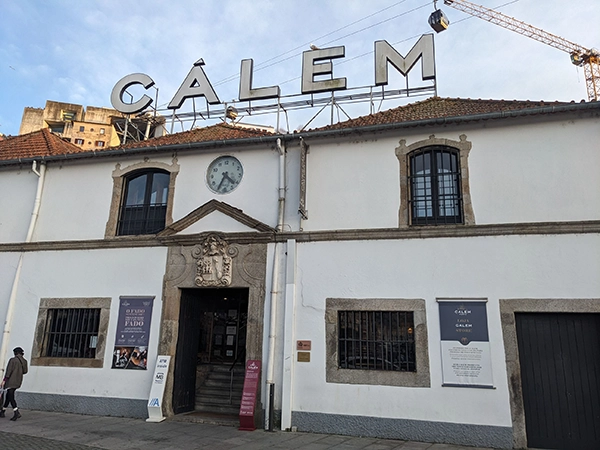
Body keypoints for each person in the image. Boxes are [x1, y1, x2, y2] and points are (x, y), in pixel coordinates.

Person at [1, 347, 28, 421]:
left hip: (11, 381)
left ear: (15, 353)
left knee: (11, 397)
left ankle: (16, 412)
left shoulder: (12, 360)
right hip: (18, 380)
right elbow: (25, 371)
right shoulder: (25, 361)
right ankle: (3, 411)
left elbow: (8, 371)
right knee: (8, 396)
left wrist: (4, 380)